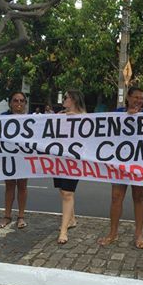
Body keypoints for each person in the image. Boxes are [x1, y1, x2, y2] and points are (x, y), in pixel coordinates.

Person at [97, 86, 143, 249]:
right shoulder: (117, 114)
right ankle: (113, 233)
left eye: (142, 98)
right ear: (128, 98)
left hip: (140, 162)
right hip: (120, 163)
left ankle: (139, 234)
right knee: (116, 197)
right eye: (136, 97)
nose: (139, 101)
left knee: (139, 197)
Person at [55, 90, 85, 244]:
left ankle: (63, 231)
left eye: (65, 98)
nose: (63, 101)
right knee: (62, 191)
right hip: (58, 158)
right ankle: (71, 219)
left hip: (74, 161)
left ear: (73, 99)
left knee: (68, 193)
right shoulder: (59, 116)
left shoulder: (86, 118)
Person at [0, 91, 29, 229]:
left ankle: (21, 217)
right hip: (8, 155)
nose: (19, 104)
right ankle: (7, 216)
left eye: (22, 101)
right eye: (16, 100)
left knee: (22, 185)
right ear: (10, 103)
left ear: (25, 103)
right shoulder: (3, 117)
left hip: (23, 156)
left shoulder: (31, 119)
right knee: (9, 185)